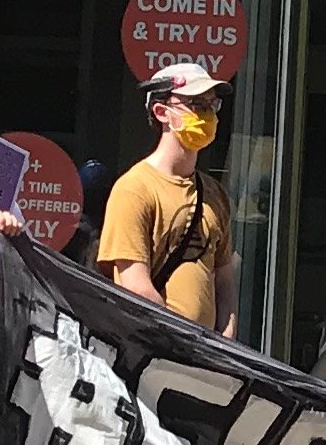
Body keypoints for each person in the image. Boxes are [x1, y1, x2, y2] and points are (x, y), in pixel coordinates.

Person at [98, 63, 236, 337]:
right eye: (197, 104)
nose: (208, 114)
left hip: (207, 362)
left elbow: (225, 281)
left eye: (212, 105)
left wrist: (226, 342)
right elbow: (135, 285)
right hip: (154, 353)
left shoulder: (214, 193)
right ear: (162, 112)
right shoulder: (134, 188)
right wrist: (180, 345)